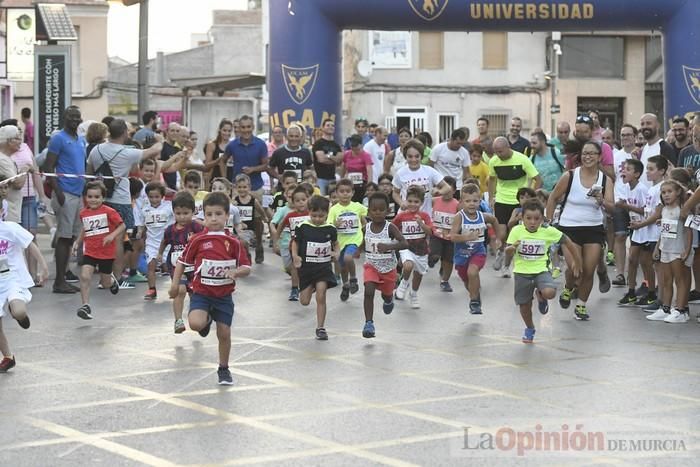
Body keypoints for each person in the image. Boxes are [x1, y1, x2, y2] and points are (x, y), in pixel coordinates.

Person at [170, 191, 251, 385]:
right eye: (209, 214)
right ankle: (206, 321)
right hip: (202, 292)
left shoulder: (234, 242)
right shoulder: (197, 239)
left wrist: (236, 273)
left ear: (227, 215)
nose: (214, 219)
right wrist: (174, 284)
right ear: (203, 216)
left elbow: (247, 267)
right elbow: (182, 262)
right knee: (196, 324)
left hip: (223, 295)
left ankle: (224, 369)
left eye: (218, 214)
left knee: (224, 333)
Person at [87, 119, 163, 287]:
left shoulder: (96, 150)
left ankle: (103, 279)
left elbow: (89, 172)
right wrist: (160, 140)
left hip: (101, 198)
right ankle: (116, 278)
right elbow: (153, 152)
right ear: (124, 134)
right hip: (120, 200)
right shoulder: (127, 153)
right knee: (119, 240)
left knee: (102, 238)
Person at [546, 141, 614, 321]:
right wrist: (548, 222)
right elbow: (552, 198)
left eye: (592, 153)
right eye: (585, 153)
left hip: (594, 229)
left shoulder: (606, 180)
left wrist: (601, 201)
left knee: (589, 270)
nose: (588, 157)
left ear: (600, 157)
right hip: (569, 228)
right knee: (576, 268)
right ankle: (568, 288)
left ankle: (581, 306)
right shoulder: (569, 176)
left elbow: (612, 207)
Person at [504, 199, 581, 343]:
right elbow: (508, 251)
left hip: (541, 270)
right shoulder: (516, 231)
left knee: (550, 293)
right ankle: (530, 328)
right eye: (528, 218)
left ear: (542, 218)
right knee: (524, 305)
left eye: (536, 218)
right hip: (522, 272)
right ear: (522, 217)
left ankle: (541, 295)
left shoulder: (548, 231)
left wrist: (577, 261)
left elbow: (567, 241)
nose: (532, 222)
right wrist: (510, 250)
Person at [0, 201, 49, 373]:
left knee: (19, 310)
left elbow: (30, 244)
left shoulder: (10, 228)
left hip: (12, 278)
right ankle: (8, 357)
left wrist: (44, 266)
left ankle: (19, 315)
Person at [43, 106, 87, 294]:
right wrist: (58, 191)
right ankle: (59, 281)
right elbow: (48, 166)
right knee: (64, 237)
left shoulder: (80, 140)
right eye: (71, 117)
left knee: (70, 238)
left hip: (77, 194)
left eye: (77, 117)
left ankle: (64, 277)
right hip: (65, 194)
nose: (75, 120)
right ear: (64, 118)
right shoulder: (58, 138)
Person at [637, 181, 693, 323]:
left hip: (678, 250)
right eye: (663, 192)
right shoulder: (664, 209)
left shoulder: (683, 209)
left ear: (678, 192)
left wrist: (687, 250)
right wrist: (657, 248)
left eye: (670, 191)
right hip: (665, 249)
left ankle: (681, 310)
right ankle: (665, 308)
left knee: (680, 280)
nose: (666, 195)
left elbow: (688, 230)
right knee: (666, 280)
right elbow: (664, 231)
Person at [488, 136, 542, 272]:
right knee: (501, 233)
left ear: (508, 148)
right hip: (501, 200)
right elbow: (492, 180)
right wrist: (490, 198)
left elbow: (538, 179)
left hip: (519, 202)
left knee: (513, 235)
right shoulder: (493, 161)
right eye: (495, 152)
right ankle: (501, 251)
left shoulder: (522, 159)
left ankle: (508, 263)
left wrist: (531, 199)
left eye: (500, 151)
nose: (498, 155)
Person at [291, 195, 339, 340]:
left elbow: (336, 243)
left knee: (321, 296)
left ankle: (321, 327)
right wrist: (295, 256)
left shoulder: (330, 228)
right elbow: (295, 243)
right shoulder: (303, 227)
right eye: (314, 215)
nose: (318, 219)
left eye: (321, 216)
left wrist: (336, 252)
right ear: (309, 212)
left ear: (327, 213)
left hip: (323, 267)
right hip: (307, 268)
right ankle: (310, 287)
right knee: (304, 301)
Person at [362, 192, 408, 338]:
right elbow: (362, 243)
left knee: (386, 295)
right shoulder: (366, 228)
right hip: (371, 265)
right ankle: (369, 323)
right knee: (368, 290)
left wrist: (389, 246)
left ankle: (388, 299)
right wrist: (354, 250)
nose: (377, 213)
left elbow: (404, 243)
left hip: (388, 269)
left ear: (387, 211)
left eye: (381, 210)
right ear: (368, 211)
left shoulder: (390, 228)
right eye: (374, 210)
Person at [75, 181, 123, 319]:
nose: (93, 200)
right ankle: (85, 306)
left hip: (106, 252)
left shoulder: (109, 211)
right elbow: (85, 228)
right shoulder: (83, 213)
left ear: (103, 198)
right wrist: (77, 242)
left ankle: (112, 282)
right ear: (85, 197)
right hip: (90, 251)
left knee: (105, 283)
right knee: (84, 276)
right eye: (90, 196)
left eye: (97, 197)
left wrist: (112, 235)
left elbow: (122, 225)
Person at [223, 115, 268, 259]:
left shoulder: (261, 144)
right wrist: (226, 181)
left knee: (256, 219)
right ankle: (244, 249)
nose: (246, 130)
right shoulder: (232, 145)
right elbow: (222, 161)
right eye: (243, 127)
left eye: (248, 127)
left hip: (255, 187)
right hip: (238, 187)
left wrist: (253, 169)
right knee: (238, 219)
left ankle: (259, 243)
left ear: (253, 127)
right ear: (239, 128)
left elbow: (266, 165)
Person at [451, 183, 500, 314]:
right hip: (461, 255)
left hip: (478, 252)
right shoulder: (459, 217)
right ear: (461, 202)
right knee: (468, 282)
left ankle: (474, 302)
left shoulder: (483, 216)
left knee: (472, 272)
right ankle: (475, 296)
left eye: (475, 201)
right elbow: (453, 236)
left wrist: (498, 238)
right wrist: (466, 237)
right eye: (467, 201)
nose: (471, 204)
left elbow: (494, 220)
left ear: (480, 201)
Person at [159, 191, 204, 334]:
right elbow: (164, 242)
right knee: (180, 290)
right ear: (173, 212)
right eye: (178, 213)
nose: (182, 217)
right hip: (176, 265)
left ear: (193, 211)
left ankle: (195, 316)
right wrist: (160, 254)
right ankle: (178, 320)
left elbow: (207, 232)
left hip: (194, 266)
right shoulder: (170, 230)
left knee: (193, 292)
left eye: (186, 213)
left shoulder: (196, 227)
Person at [615, 159, 653, 306]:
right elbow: (625, 205)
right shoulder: (625, 188)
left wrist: (627, 206)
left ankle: (651, 292)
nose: (624, 171)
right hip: (636, 228)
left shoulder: (642, 189)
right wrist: (622, 206)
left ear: (637, 174)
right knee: (631, 260)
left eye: (628, 169)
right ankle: (631, 291)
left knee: (645, 262)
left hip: (645, 228)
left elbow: (645, 210)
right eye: (624, 169)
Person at [393, 185, 433, 309]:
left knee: (418, 274)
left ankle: (413, 294)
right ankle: (403, 284)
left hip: (421, 248)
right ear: (405, 200)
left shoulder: (425, 216)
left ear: (421, 202)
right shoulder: (401, 216)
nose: (413, 204)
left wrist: (421, 223)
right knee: (408, 265)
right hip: (406, 247)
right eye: (410, 201)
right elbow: (392, 228)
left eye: (416, 202)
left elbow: (430, 232)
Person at [328, 178, 367, 301]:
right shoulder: (334, 209)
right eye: (342, 191)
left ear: (353, 193)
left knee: (348, 258)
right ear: (337, 193)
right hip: (340, 242)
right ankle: (345, 285)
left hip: (354, 239)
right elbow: (329, 224)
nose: (345, 194)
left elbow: (366, 215)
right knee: (342, 267)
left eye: (348, 191)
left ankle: (354, 279)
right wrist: (335, 224)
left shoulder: (357, 206)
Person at [135, 182, 174, 301]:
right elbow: (141, 224)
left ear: (162, 196)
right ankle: (152, 289)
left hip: (167, 242)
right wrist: (140, 232)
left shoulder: (169, 206)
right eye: (151, 197)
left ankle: (175, 287)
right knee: (150, 266)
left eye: (157, 196)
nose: (154, 199)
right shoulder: (144, 209)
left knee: (170, 267)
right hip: (151, 243)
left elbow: (179, 214)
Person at [392, 139, 450, 216]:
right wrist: (401, 203)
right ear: (405, 156)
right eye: (410, 156)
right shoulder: (400, 173)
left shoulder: (429, 171)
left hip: (425, 215)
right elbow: (395, 192)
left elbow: (447, 187)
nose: (413, 160)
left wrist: (439, 192)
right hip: (406, 216)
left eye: (417, 156)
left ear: (421, 156)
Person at [278, 186, 311, 300]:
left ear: (308, 199)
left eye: (303, 200)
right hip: (295, 245)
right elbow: (281, 226)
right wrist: (276, 240)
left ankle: (309, 285)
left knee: (307, 267)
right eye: (297, 201)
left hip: (310, 245)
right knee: (294, 267)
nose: (301, 203)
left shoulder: (311, 214)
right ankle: (294, 289)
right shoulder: (290, 215)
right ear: (293, 202)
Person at [429, 176, 459, 292]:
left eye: (449, 191)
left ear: (454, 191)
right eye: (444, 190)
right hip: (436, 235)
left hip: (450, 237)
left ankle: (445, 281)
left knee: (448, 260)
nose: (446, 193)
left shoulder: (457, 204)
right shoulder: (434, 201)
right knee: (435, 254)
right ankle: (432, 259)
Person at [271, 184, 299, 299]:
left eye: (294, 197)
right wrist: (275, 238)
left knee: (294, 265)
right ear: (285, 197)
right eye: (289, 197)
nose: (292, 200)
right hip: (284, 243)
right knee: (288, 267)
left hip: (298, 244)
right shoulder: (283, 210)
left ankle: (294, 290)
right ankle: (295, 277)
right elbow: (273, 223)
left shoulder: (303, 210)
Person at [233, 174, 268, 264]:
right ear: (236, 188)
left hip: (249, 229)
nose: (242, 189)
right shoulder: (235, 200)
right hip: (237, 228)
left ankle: (247, 255)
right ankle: (243, 255)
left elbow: (261, 210)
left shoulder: (253, 201)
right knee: (238, 243)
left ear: (249, 187)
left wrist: (265, 218)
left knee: (243, 242)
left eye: (244, 187)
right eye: (239, 187)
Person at [311, 119, 343, 195]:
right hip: (320, 178)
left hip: (333, 178)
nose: (330, 127)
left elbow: (339, 160)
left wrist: (327, 156)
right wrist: (333, 158)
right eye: (328, 125)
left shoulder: (336, 145)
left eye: (332, 125)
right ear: (323, 128)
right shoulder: (318, 144)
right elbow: (321, 159)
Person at [340, 134, 373, 203]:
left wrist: (369, 185)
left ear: (361, 145)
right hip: (350, 183)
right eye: (352, 146)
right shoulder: (346, 154)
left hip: (362, 184)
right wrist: (341, 180)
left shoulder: (366, 156)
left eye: (356, 146)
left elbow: (369, 171)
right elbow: (343, 168)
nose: (354, 148)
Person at [203, 118, 233, 189]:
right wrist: (219, 160)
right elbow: (207, 165)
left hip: (231, 179)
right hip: (216, 180)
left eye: (229, 131)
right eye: (224, 130)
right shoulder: (212, 145)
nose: (227, 133)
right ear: (220, 130)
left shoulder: (233, 145)